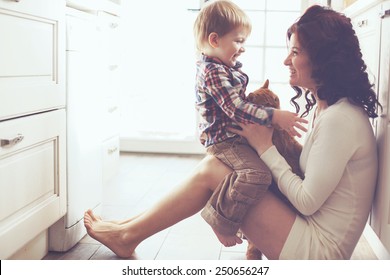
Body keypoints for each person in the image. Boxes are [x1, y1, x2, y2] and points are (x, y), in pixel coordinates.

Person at [84, 4, 381, 259]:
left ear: (323, 59)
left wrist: (265, 147)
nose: (285, 61)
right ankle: (126, 230)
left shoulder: (340, 120)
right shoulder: (329, 109)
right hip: (311, 230)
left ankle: (128, 234)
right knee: (217, 165)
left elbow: (306, 200)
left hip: (318, 253)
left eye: (295, 52)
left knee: (215, 169)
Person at [193, 0, 307, 247]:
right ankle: (220, 219)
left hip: (232, 136)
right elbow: (235, 107)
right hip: (224, 141)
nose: (243, 48)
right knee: (257, 174)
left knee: (266, 169)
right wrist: (274, 116)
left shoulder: (223, 66)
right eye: (238, 41)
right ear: (214, 40)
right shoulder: (213, 71)